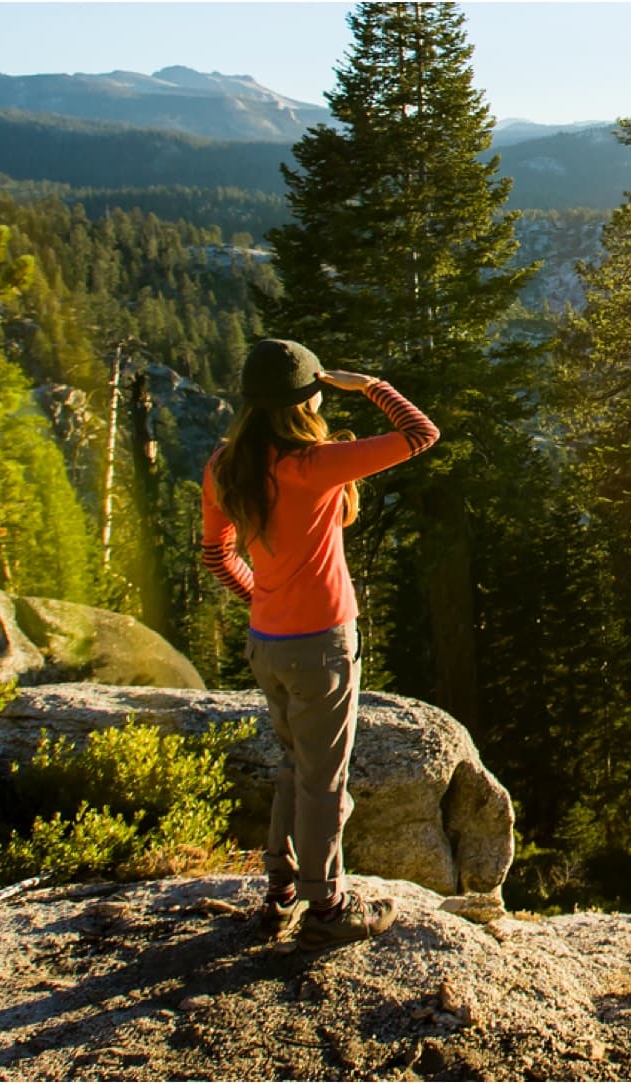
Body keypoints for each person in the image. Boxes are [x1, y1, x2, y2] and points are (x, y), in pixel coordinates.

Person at [199, 339, 437, 950]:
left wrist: (260, 598)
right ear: (308, 400)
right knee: (324, 780)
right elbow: (420, 434)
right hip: (322, 644)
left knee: (294, 768)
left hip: (267, 644)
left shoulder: (225, 464)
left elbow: (215, 554)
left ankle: (280, 892)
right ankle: (327, 908)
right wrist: (368, 385)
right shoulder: (315, 465)